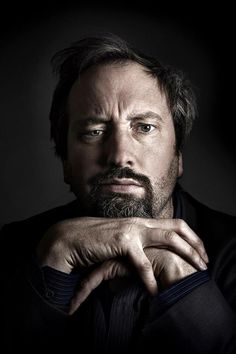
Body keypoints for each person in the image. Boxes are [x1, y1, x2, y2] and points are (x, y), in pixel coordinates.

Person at [1, 33, 236, 354]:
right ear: (66, 162)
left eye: (144, 127)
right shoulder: (11, 250)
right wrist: (53, 259)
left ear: (178, 155)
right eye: (94, 131)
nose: (119, 155)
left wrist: (186, 285)